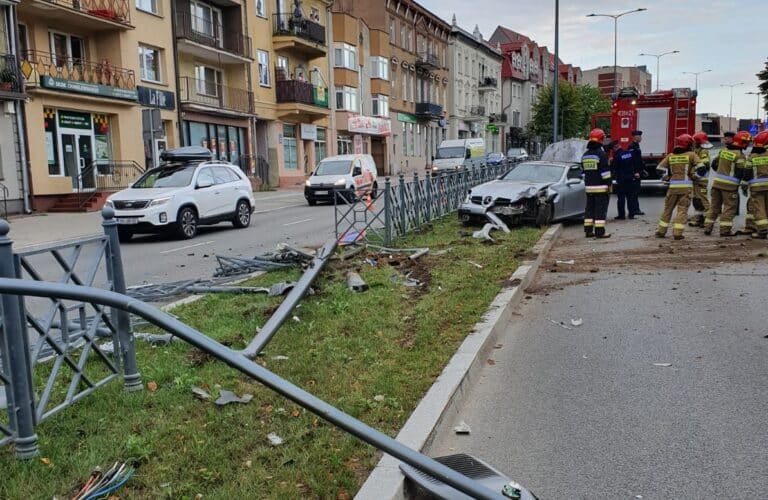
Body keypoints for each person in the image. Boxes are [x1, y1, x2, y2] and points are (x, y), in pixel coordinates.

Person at [654, 134, 703, 240]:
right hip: (686, 188)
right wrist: (695, 177)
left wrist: (666, 178)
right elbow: (702, 168)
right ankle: (677, 233)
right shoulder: (691, 155)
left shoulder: (671, 155)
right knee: (682, 210)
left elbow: (659, 169)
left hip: (673, 187)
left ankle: (661, 231)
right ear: (688, 144)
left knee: (667, 209)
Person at [704, 131, 751, 236]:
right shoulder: (739, 156)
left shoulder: (723, 151)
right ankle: (725, 231)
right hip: (729, 187)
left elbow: (714, 165)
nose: (747, 145)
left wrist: (723, 172)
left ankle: (707, 228)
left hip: (716, 184)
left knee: (714, 208)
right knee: (729, 209)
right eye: (745, 142)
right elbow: (740, 173)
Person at [582, 128, 612, 238]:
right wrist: (609, 184)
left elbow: (584, 173)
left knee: (589, 210)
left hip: (589, 188)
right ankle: (600, 232)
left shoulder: (585, 155)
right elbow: (605, 174)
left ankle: (588, 231)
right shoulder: (602, 154)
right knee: (600, 210)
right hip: (601, 188)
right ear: (601, 139)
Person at [746, 130, 768, 238]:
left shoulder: (752, 156)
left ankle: (762, 230)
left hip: (756, 188)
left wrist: (745, 184)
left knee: (759, 208)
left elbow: (747, 172)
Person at [687, 132, 712, 227]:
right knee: (697, 201)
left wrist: (696, 175)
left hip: (701, 180)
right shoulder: (696, 150)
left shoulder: (703, 151)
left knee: (703, 201)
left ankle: (708, 221)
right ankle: (699, 219)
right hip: (696, 180)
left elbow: (705, 166)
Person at [610, 141, 639, 219]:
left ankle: (621, 215)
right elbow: (635, 163)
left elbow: (614, 168)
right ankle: (631, 214)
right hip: (630, 177)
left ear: (615, 147)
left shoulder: (616, 156)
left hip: (621, 179)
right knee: (630, 197)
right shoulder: (629, 153)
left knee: (621, 198)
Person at [627, 130, 645, 216]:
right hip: (635, 173)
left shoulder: (636, 146)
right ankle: (634, 209)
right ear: (634, 137)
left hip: (638, 172)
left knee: (636, 192)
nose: (640, 138)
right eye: (639, 136)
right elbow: (631, 161)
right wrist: (634, 172)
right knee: (634, 192)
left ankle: (636, 209)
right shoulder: (632, 147)